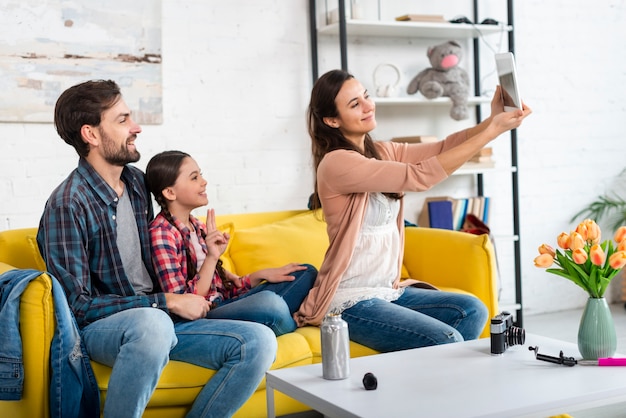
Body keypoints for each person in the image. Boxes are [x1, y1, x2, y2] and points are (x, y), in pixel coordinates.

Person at [36, 80, 277, 418]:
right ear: (90, 134)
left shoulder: (135, 183)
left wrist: (196, 275)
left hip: (162, 318)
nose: (135, 128)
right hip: (105, 328)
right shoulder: (67, 204)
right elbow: (76, 307)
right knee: (152, 324)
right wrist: (165, 301)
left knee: (260, 341)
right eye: (122, 121)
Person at [295, 69, 532, 353]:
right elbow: (420, 176)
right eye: (354, 104)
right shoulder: (336, 164)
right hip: (350, 301)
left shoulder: (382, 151)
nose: (368, 106)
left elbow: (443, 148)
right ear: (332, 120)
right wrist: (495, 130)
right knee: (446, 340)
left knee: (473, 310)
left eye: (366, 96)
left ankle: (435, 390)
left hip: (388, 292)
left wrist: (491, 122)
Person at [146, 150, 317, 336]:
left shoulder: (197, 225)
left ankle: (282, 320)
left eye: (200, 175)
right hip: (204, 316)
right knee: (270, 304)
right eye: (194, 178)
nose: (204, 182)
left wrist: (258, 275)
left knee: (305, 272)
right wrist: (212, 256)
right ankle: (287, 320)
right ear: (170, 192)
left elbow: (225, 288)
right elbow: (184, 302)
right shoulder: (162, 234)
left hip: (224, 304)